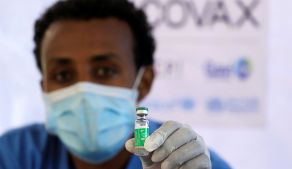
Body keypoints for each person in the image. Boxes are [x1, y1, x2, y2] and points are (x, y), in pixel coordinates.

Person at [0, 0, 231, 168]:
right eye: (62, 75)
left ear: (144, 82)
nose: (83, 90)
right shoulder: (11, 156)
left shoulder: (186, 163)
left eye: (104, 71)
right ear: (44, 89)